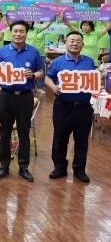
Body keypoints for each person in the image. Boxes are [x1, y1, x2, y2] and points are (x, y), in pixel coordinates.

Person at [0, 20, 44, 182]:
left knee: (24, 133)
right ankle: (4, 166)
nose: (18, 34)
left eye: (21, 31)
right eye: (15, 31)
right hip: (6, 96)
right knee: (5, 132)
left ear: (26, 33)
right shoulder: (2, 51)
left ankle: (24, 167)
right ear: (11, 32)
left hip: (25, 96)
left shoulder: (34, 52)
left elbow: (41, 72)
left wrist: (33, 75)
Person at [44, 31, 96, 183]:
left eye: (78, 41)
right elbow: (48, 78)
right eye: (71, 41)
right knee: (60, 138)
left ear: (82, 45)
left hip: (83, 107)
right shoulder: (58, 62)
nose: (74, 43)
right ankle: (59, 167)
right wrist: (53, 87)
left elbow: (93, 79)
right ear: (65, 43)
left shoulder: (89, 61)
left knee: (81, 140)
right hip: (63, 106)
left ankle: (79, 169)